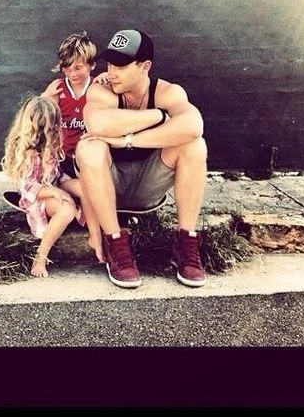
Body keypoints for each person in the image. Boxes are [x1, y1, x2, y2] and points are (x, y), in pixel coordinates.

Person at [74, 29, 208, 289]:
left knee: (194, 145)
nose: (112, 72)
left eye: (121, 66)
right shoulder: (102, 91)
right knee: (89, 148)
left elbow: (193, 126)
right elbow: (98, 123)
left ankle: (186, 242)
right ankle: (115, 241)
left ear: (145, 66)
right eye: (110, 64)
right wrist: (159, 116)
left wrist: (127, 140)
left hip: (148, 186)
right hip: (106, 186)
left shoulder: (167, 92)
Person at [0, 95, 98, 277]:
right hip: (39, 197)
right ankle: (41, 256)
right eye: (51, 127)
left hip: (55, 184)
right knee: (67, 209)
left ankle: (95, 237)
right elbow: (28, 188)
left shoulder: (50, 145)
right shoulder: (29, 155)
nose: (55, 131)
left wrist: (67, 187)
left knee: (85, 187)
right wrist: (56, 193)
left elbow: (56, 174)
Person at [40, 31, 107, 262]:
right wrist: (45, 99)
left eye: (78, 67)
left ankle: (94, 231)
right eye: (67, 68)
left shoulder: (98, 88)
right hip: (63, 164)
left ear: (92, 65)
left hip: (89, 160)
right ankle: (92, 230)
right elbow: (37, 123)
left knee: (92, 183)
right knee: (86, 188)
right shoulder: (58, 88)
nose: (72, 73)